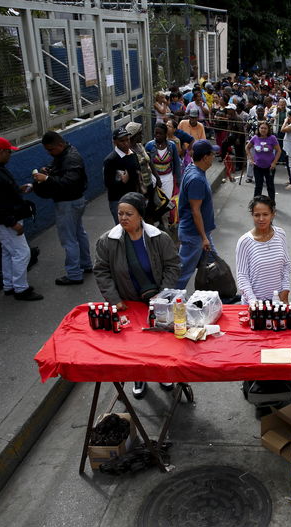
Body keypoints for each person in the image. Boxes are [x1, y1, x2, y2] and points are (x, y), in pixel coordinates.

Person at [93, 192, 180, 399]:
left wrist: (163, 294)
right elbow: (101, 271)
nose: (123, 218)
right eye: (120, 213)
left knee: (159, 340)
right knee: (134, 344)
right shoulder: (107, 241)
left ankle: (162, 373)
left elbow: (173, 265)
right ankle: (138, 376)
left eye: (128, 214)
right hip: (128, 302)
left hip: (157, 301)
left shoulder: (158, 238)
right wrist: (115, 300)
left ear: (140, 215)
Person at [0, 137, 43, 301]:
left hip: (2, 219)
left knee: (9, 252)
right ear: (1, 151)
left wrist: (17, 190)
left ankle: (10, 285)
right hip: (4, 221)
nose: (10, 155)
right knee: (22, 252)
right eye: (9, 151)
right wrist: (12, 223)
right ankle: (20, 289)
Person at [31, 132, 92, 286]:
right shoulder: (66, 154)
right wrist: (49, 170)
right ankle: (86, 264)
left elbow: (69, 181)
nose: (49, 153)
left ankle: (74, 274)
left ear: (60, 145)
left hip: (68, 203)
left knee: (69, 239)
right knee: (79, 234)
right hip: (75, 201)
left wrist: (47, 178)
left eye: (51, 150)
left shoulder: (70, 158)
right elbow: (60, 168)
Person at [175, 140, 219, 290]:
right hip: (195, 235)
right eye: (212, 154)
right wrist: (204, 238)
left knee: (215, 265)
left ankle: (225, 294)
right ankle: (170, 298)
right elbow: (195, 210)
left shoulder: (193, 168)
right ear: (205, 157)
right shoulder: (197, 179)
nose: (214, 157)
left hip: (201, 234)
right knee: (184, 272)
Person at [235, 195, 291, 304]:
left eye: (265, 214)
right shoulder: (244, 241)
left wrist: (285, 289)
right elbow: (242, 276)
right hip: (254, 304)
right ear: (252, 215)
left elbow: (286, 264)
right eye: (257, 215)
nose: (261, 219)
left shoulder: (280, 234)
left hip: (278, 301)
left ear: (273, 214)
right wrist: (252, 300)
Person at [102, 127, 141, 224]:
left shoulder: (133, 155)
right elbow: (108, 183)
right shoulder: (110, 160)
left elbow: (137, 173)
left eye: (127, 140)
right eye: (122, 141)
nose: (126, 143)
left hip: (133, 197)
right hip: (118, 200)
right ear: (115, 142)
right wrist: (122, 181)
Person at [145, 123, 181, 200]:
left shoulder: (172, 146)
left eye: (160, 133)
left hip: (167, 178)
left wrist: (178, 180)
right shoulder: (149, 146)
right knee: (153, 202)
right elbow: (146, 164)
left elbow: (177, 164)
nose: (157, 135)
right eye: (156, 133)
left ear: (165, 134)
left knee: (166, 202)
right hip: (153, 178)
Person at [246, 122, 281, 199]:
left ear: (268, 130)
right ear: (258, 129)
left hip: (270, 167)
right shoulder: (255, 138)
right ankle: (255, 204)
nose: (263, 130)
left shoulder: (272, 138)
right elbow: (247, 147)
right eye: (261, 128)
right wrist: (250, 159)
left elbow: (279, 151)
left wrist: (274, 163)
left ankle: (272, 205)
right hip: (257, 166)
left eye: (265, 128)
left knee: (270, 186)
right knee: (258, 186)